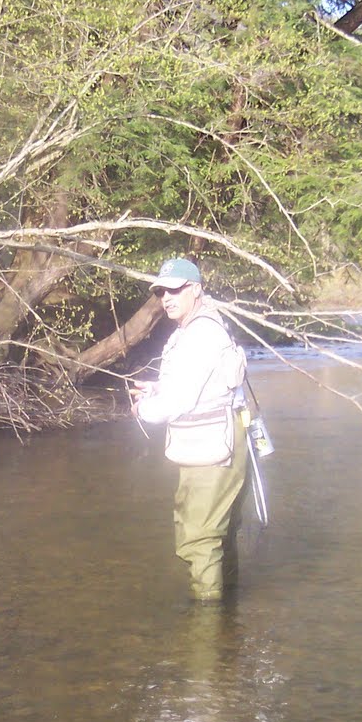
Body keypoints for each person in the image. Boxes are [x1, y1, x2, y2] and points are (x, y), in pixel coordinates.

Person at [130, 257, 249, 602]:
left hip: (211, 448)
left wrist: (144, 408)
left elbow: (177, 402)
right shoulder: (200, 328)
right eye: (161, 291)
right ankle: (226, 620)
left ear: (195, 290)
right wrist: (157, 387)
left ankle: (206, 627)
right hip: (219, 440)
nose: (167, 297)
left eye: (176, 289)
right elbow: (199, 386)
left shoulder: (199, 335)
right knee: (217, 535)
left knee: (198, 538)